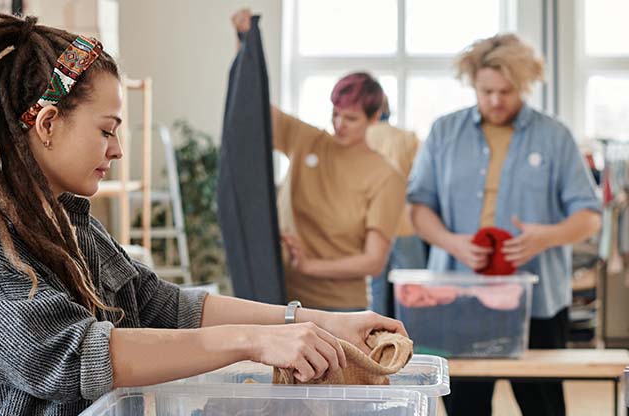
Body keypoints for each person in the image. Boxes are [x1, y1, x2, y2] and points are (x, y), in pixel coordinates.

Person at [0, 11, 407, 416]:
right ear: (45, 124)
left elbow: (161, 305)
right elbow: (74, 357)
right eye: (107, 131)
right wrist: (254, 342)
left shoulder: (67, 223)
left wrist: (325, 323)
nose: (116, 149)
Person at [407, 33, 601, 416]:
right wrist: (452, 242)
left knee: (543, 406)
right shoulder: (444, 132)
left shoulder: (555, 136)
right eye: (486, 90)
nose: (496, 100)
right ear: (473, 84)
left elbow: (589, 216)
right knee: (465, 407)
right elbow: (419, 209)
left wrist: (547, 237)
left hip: (538, 303)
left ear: (525, 85)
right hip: (458, 299)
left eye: (506, 91)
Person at [232, 9, 406, 312]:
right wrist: (246, 43)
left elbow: (374, 260)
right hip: (280, 297)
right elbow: (256, 108)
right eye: (335, 113)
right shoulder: (308, 140)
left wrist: (310, 266)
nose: (339, 123)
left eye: (350, 118)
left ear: (374, 117)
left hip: (341, 309)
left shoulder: (385, 176)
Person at [366, 97, 428, 317]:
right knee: (414, 288)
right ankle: (414, 339)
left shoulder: (359, 138)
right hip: (405, 224)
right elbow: (422, 179)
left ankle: (376, 341)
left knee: (375, 289)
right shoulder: (408, 138)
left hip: (371, 226)